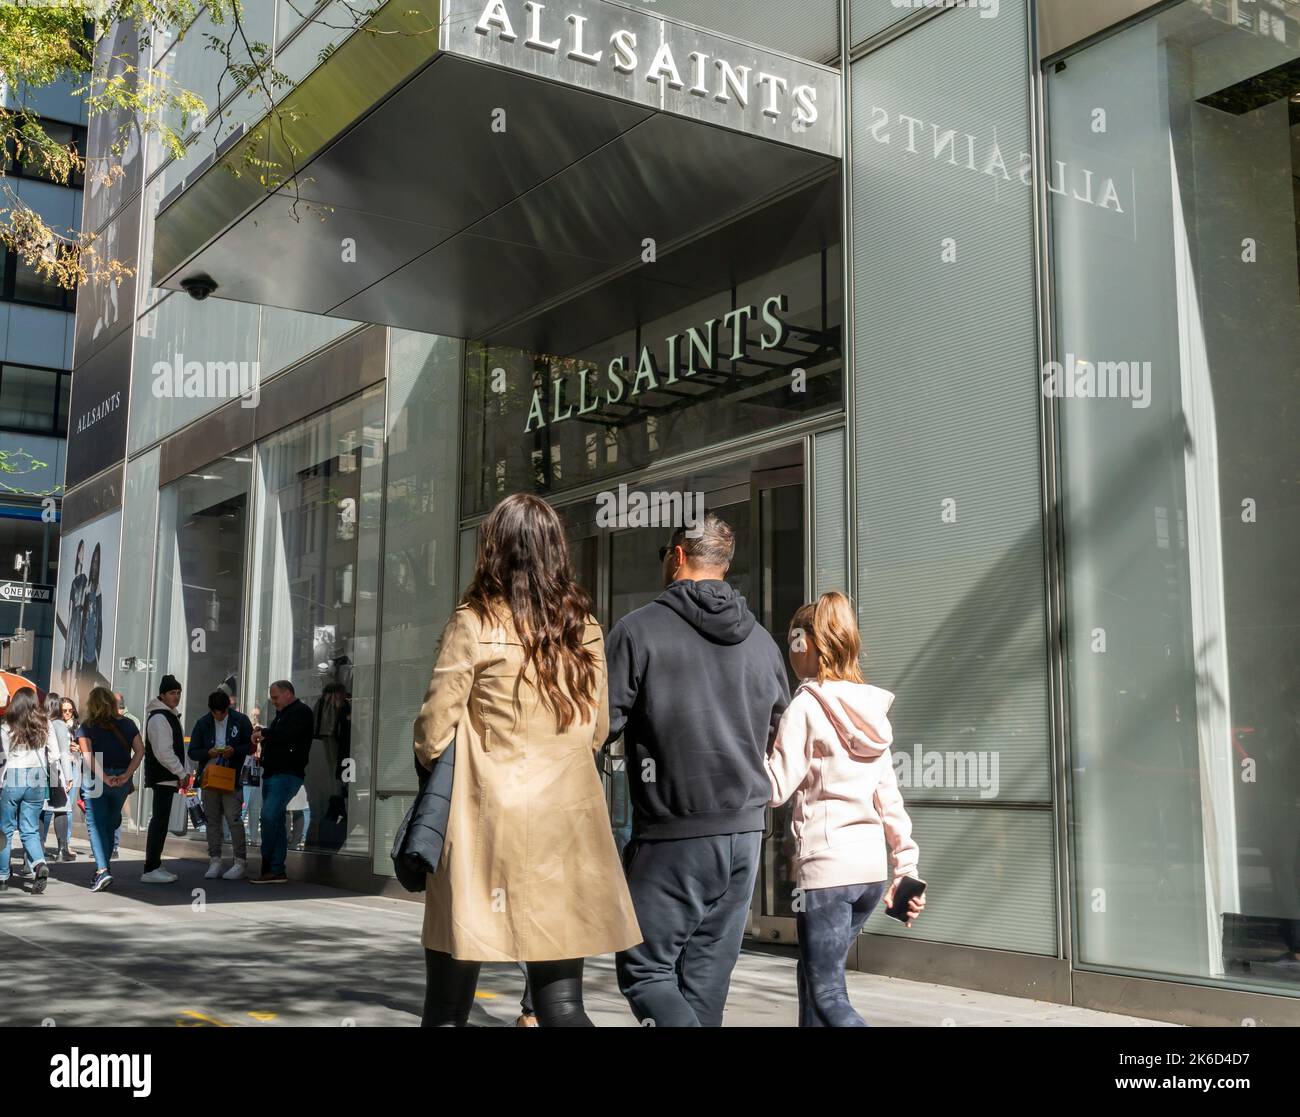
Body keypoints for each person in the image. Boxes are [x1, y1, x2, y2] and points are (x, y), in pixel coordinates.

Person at [413, 493, 641, 1027]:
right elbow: (599, 730)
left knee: (448, 1005)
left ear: (493, 549)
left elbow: (432, 733)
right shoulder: (581, 627)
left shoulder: (472, 623)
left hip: (482, 827)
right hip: (566, 828)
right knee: (561, 1005)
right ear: (555, 551)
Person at [606, 512, 790, 1027]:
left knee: (645, 970)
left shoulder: (638, 630)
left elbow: (596, 727)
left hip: (674, 833)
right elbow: (783, 728)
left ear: (679, 556)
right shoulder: (762, 642)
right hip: (745, 834)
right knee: (706, 979)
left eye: (665, 553)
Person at [766, 591, 926, 1027]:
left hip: (826, 873)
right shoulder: (870, 710)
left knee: (829, 992)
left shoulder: (805, 706)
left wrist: (737, 755)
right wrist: (905, 866)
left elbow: (776, 786)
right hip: (869, 875)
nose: (789, 648)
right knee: (815, 975)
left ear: (807, 644)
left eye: (793, 638)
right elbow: (888, 798)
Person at [75, 686, 144, 892]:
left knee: (96, 825)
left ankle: (103, 869)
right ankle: (102, 869)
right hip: (121, 778)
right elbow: (140, 751)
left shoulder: (86, 726)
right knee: (109, 823)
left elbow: (88, 757)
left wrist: (104, 777)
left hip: (97, 778)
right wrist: (126, 775)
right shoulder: (128, 724)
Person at [250, 680, 313, 884]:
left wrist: (265, 733)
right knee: (273, 817)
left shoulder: (300, 712)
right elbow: (282, 735)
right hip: (273, 772)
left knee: (269, 816)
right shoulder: (284, 714)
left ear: (288, 693)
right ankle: (274, 869)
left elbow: (287, 735)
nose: (274, 702)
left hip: (286, 773)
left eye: (276, 697)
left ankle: (272, 865)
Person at [188, 689, 252, 880]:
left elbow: (250, 746)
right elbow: (193, 752)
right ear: (210, 710)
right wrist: (210, 752)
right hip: (210, 774)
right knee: (212, 819)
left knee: (234, 817)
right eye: (216, 712)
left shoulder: (240, 720)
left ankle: (240, 861)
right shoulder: (203, 723)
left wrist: (235, 750)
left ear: (228, 707)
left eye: (222, 712)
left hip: (232, 774)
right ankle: (215, 859)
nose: (219, 716)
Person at [0, 688, 60, 893]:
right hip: (37, 777)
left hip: (14, 776)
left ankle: (2, 876)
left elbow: (5, 758)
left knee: (5, 830)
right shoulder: (46, 724)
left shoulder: (7, 726)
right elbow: (54, 756)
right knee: (30, 828)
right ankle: (39, 864)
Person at [142, 674, 188, 883]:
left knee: (160, 821)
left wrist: (181, 772)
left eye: (178, 693)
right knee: (159, 821)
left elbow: (170, 751)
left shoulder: (165, 715)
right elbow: (164, 752)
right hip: (164, 776)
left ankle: (154, 865)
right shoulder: (160, 717)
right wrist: (182, 772)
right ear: (162, 694)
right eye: (172, 693)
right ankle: (151, 867)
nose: (176, 696)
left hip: (166, 776)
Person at [39, 693, 76, 862]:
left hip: (39, 770)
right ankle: (62, 850)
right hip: (56, 770)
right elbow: (63, 752)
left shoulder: (39, 721)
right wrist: (69, 777)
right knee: (62, 808)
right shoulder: (59, 724)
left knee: (42, 809)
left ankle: (36, 851)